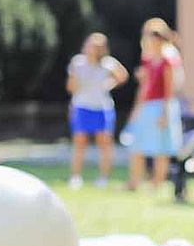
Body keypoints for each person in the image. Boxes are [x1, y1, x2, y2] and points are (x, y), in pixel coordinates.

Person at [122, 20, 183, 192]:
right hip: (147, 106)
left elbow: (169, 89)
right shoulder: (148, 60)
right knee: (137, 145)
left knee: (160, 148)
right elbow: (144, 88)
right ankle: (134, 182)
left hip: (162, 106)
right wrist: (136, 109)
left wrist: (164, 113)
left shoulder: (168, 61)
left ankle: (157, 183)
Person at [67, 32, 129, 189]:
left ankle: (103, 178)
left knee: (105, 145)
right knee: (79, 143)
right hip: (82, 106)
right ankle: (76, 177)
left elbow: (123, 75)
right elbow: (71, 88)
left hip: (102, 108)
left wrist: (110, 83)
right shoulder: (78, 63)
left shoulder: (108, 63)